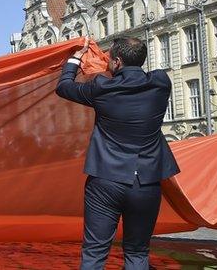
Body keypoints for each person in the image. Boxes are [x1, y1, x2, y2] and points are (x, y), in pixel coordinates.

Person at [57, 37, 179, 270]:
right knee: (137, 252)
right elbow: (141, 72)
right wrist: (115, 63)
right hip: (146, 182)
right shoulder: (161, 83)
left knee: (94, 252)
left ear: (118, 62)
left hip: (106, 180)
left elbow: (64, 87)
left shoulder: (102, 88)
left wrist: (75, 58)